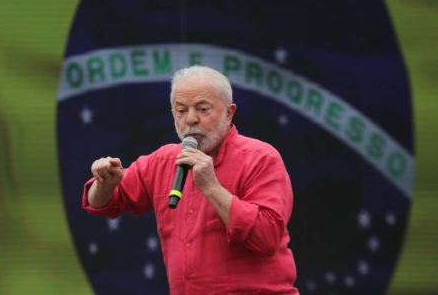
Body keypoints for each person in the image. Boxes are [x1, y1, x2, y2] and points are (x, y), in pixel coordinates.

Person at [82, 65, 299, 294]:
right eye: (181, 111)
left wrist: (212, 187)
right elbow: (104, 203)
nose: (191, 119)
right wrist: (104, 183)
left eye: (202, 109)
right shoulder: (164, 160)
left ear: (229, 112)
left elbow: (266, 237)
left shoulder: (261, 158)